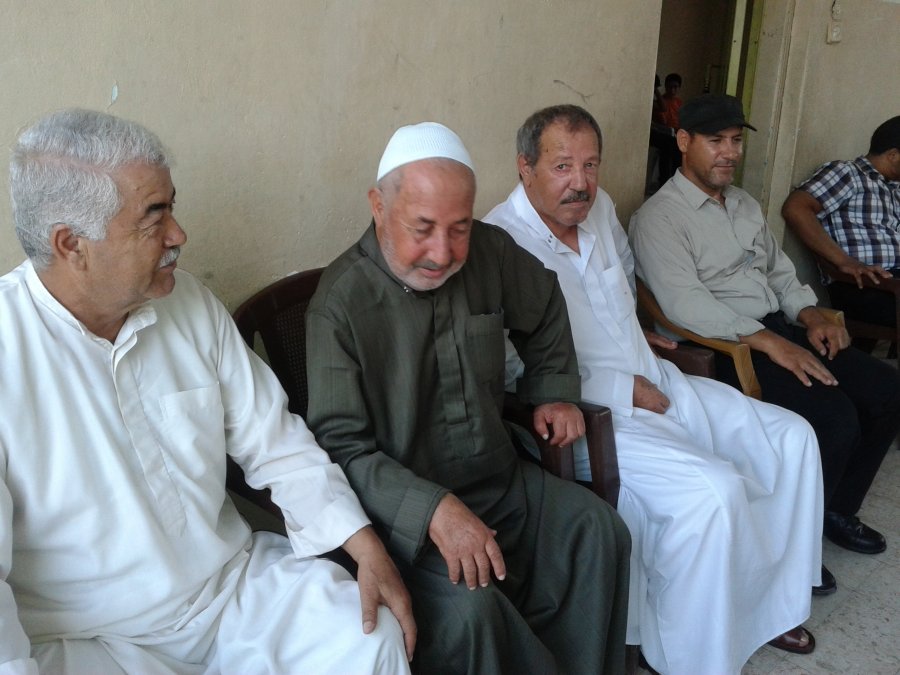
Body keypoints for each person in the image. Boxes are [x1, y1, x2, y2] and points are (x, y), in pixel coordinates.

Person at [0, 109, 414, 674]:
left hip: (232, 596)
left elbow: (275, 441)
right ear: (73, 244)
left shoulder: (187, 302)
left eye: (172, 207)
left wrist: (364, 545)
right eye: (154, 217)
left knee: (368, 638)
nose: (178, 235)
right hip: (93, 641)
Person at [485, 104, 823, 675]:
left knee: (793, 438)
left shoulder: (599, 210)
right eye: (562, 166)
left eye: (591, 165)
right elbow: (511, 367)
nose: (580, 182)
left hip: (659, 378)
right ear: (525, 167)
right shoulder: (499, 242)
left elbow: (619, 278)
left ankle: (770, 606)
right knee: (712, 492)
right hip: (592, 413)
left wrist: (634, 331)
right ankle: (692, 657)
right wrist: (620, 386)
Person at [304, 121, 631, 674]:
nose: (443, 252)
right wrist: (432, 509)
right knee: (470, 613)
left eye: (459, 228)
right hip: (405, 520)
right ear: (379, 207)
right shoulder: (340, 305)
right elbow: (341, 447)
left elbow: (545, 304)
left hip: (500, 482)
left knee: (598, 531)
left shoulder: (489, 252)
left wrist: (553, 391)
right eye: (423, 228)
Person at [631, 94, 900, 564]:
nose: (729, 153)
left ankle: (836, 511)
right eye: (716, 141)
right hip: (724, 347)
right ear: (683, 141)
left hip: (777, 330)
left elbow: (778, 272)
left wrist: (809, 313)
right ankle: (793, 552)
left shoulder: (744, 204)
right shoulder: (659, 217)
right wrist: (768, 342)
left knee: (886, 390)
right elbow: (683, 304)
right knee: (834, 418)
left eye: (735, 141)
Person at [782, 115, 900, 328]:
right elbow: (796, 208)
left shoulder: (893, 189)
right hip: (867, 286)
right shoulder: (848, 173)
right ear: (893, 155)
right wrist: (845, 261)